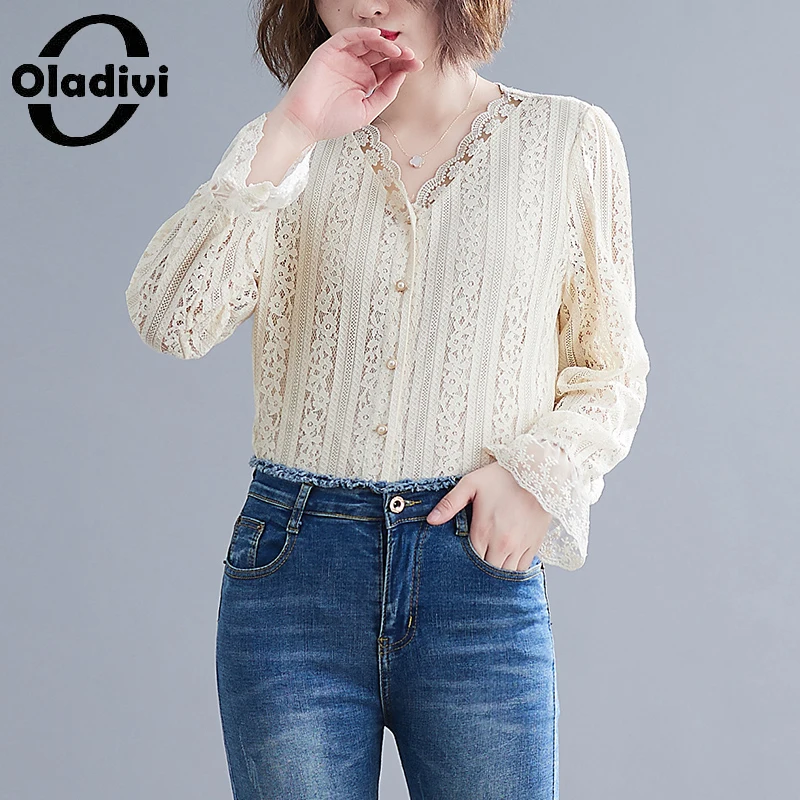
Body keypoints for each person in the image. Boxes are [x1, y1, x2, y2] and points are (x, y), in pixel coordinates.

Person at [124, 1, 650, 797]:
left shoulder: (566, 139)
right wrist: (294, 127)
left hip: (472, 580)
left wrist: (538, 477)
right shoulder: (288, 148)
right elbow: (171, 317)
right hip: (295, 574)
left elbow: (610, 368)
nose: (369, 2)